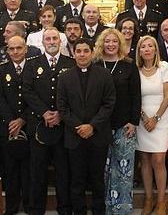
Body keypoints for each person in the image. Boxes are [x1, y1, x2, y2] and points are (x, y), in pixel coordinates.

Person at [57, 38, 116, 215]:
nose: (82, 54)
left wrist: (92, 126)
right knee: (77, 179)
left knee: (98, 178)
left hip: (98, 135)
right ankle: (79, 211)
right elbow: (62, 107)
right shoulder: (64, 77)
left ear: (92, 52)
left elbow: (109, 103)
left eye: (85, 51)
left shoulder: (104, 75)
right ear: (73, 54)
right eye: (78, 51)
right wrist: (79, 126)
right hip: (74, 136)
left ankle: (99, 211)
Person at [23, 27, 74, 215]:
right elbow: (27, 91)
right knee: (37, 171)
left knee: (63, 171)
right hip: (39, 125)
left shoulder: (70, 63)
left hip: (63, 126)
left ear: (60, 42)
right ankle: (36, 209)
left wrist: (60, 114)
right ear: (42, 43)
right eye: (48, 39)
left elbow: (74, 93)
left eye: (55, 39)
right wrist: (44, 112)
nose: (52, 42)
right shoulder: (32, 63)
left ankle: (64, 208)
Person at [93, 28, 141, 215]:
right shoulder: (95, 65)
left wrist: (133, 121)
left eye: (114, 41)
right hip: (100, 126)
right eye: (107, 41)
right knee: (102, 169)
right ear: (101, 44)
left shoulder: (129, 65)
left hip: (124, 125)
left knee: (123, 170)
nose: (111, 45)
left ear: (120, 44)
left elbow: (136, 95)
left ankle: (122, 209)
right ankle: (105, 207)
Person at [0, 36, 31, 215]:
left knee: (29, 170)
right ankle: (12, 207)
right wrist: (12, 121)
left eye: (19, 48)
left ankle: (30, 207)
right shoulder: (0, 70)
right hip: (6, 127)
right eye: (12, 49)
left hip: (29, 126)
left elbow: (38, 97)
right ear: (7, 51)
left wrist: (22, 120)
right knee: (9, 170)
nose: (15, 52)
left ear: (26, 49)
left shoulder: (34, 68)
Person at [135, 35, 168, 215]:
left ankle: (161, 201)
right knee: (144, 160)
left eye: (150, 46)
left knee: (158, 159)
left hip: (161, 118)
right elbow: (134, 97)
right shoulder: (136, 70)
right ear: (139, 51)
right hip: (142, 119)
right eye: (144, 47)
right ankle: (149, 199)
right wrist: (144, 117)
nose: (147, 49)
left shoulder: (164, 67)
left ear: (156, 49)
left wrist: (155, 118)